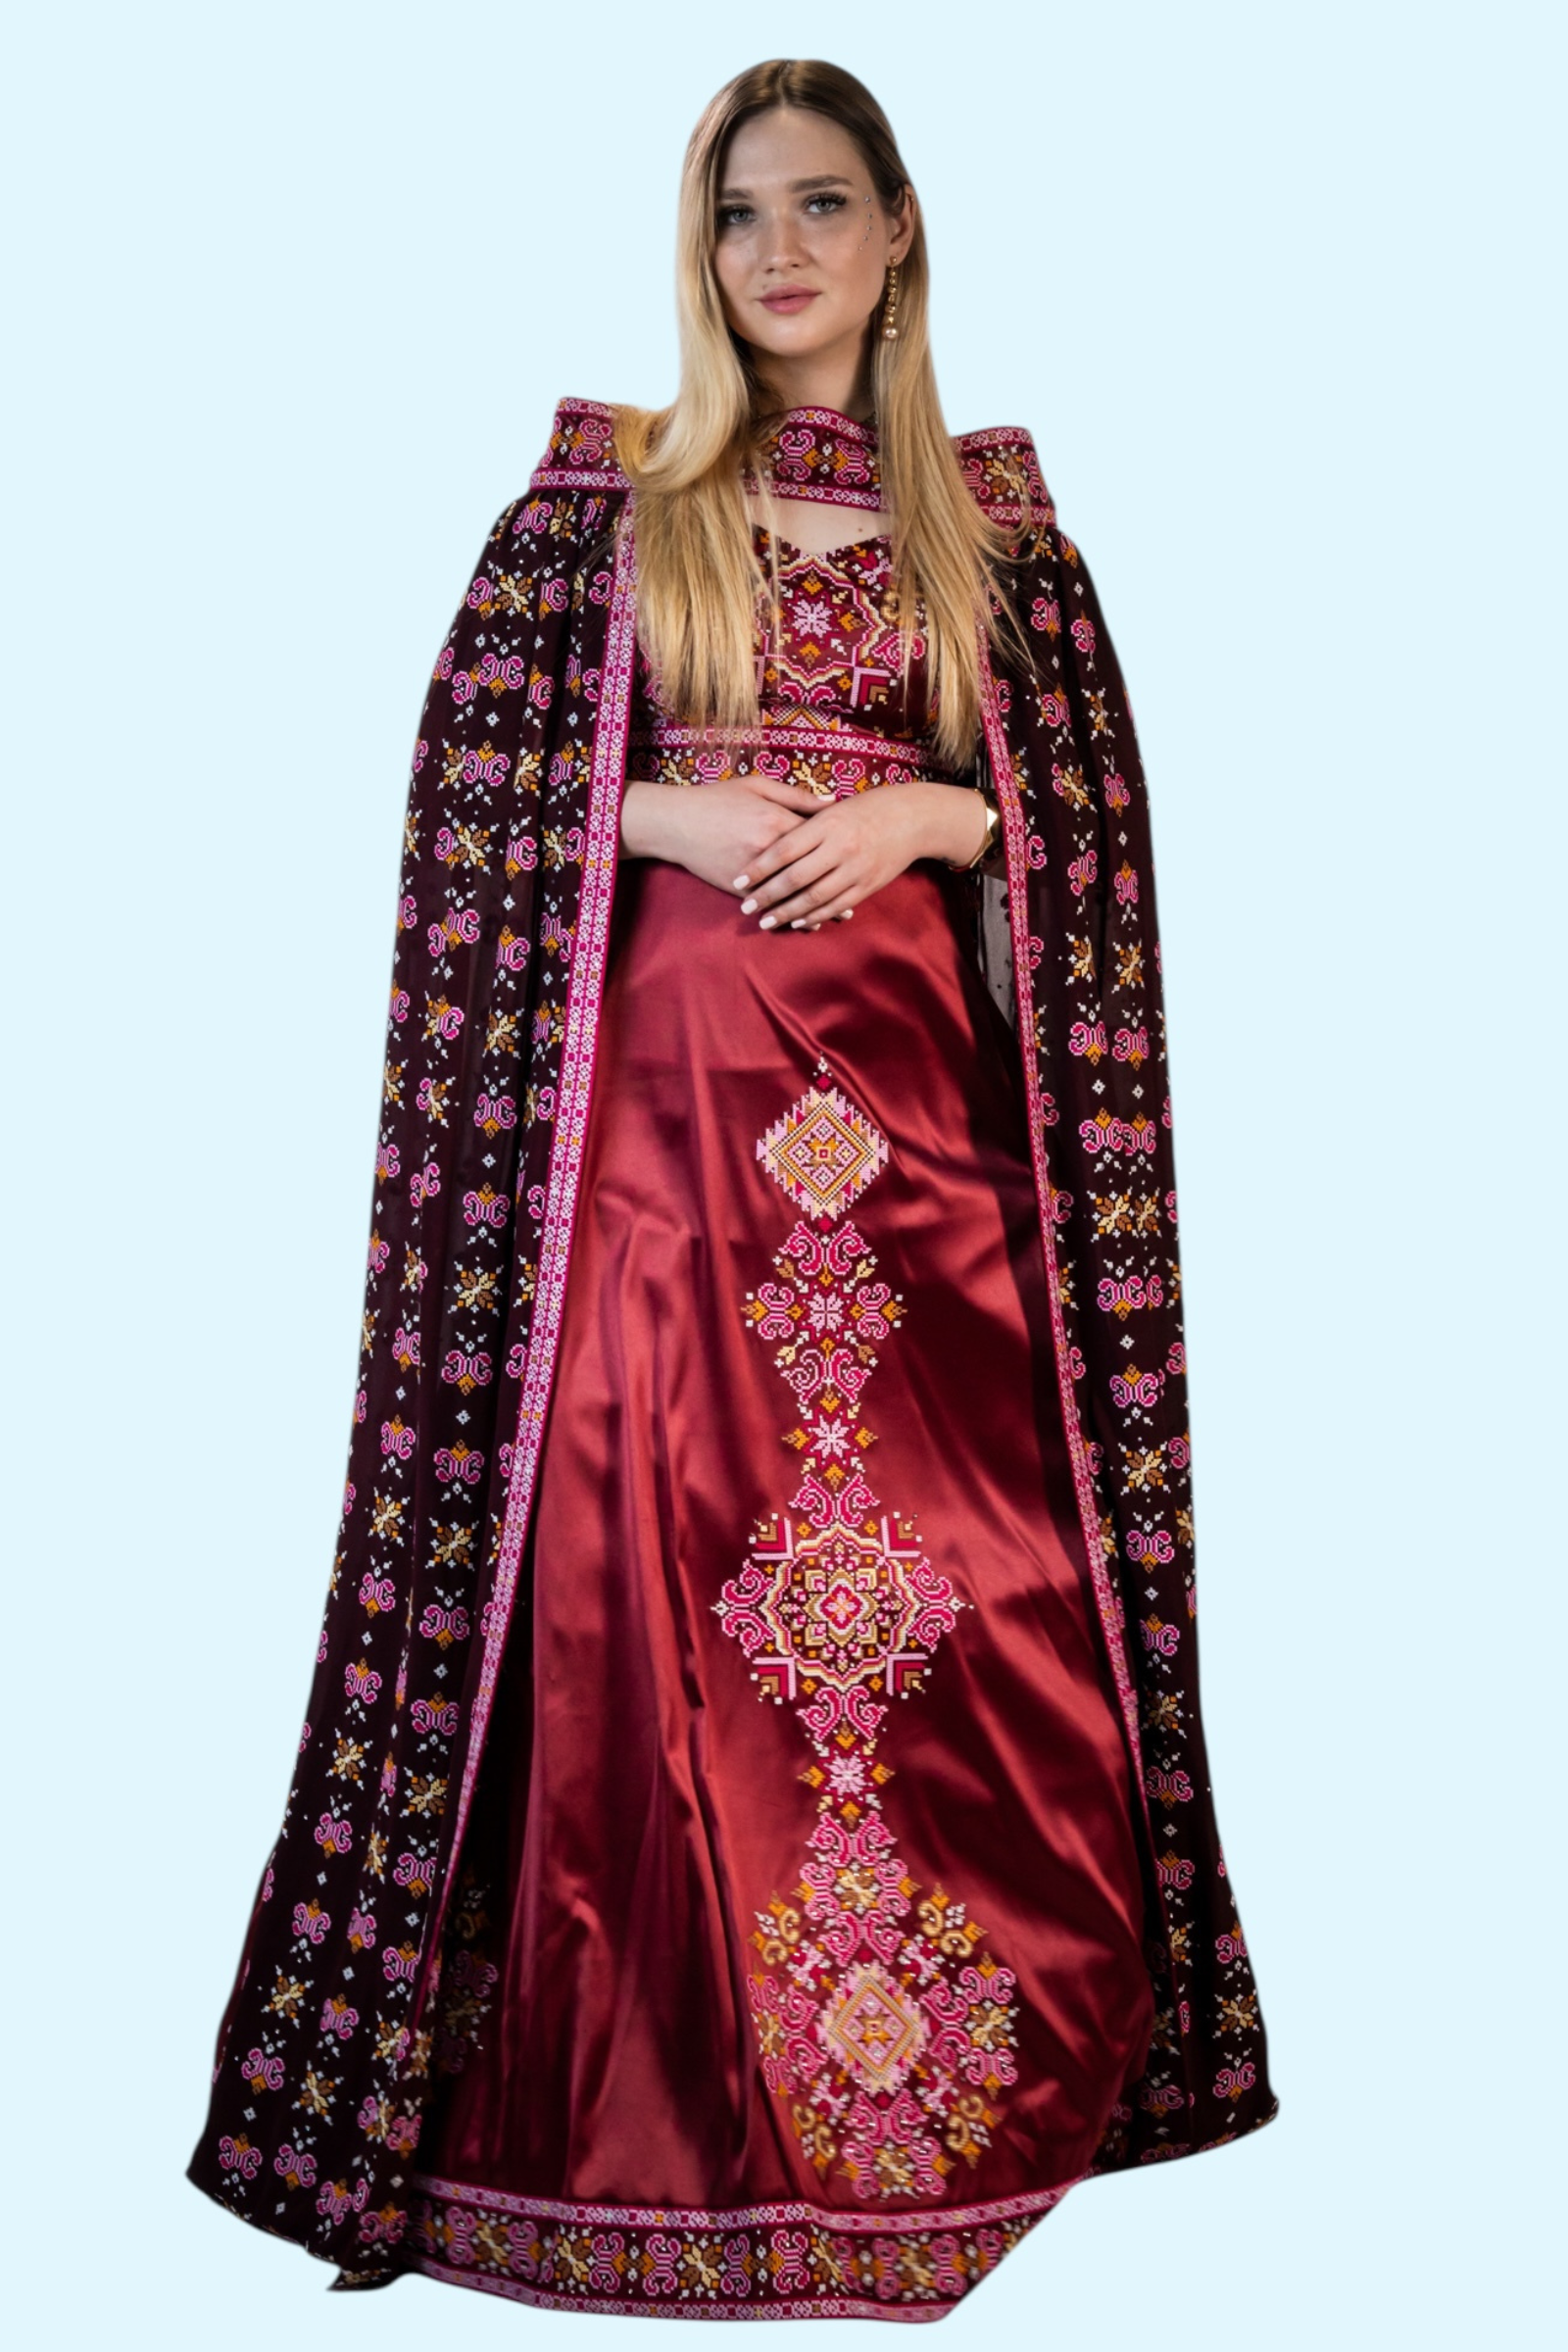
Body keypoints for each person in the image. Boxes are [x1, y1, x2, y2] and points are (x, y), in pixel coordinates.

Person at [188, 57, 1275, 2323]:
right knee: (645, 1594)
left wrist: (936, 818)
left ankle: (929, 2103)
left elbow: (1085, 844)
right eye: (735, 213)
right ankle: (653, 2122)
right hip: (657, 1164)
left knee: (954, 1593)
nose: (775, 253)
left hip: (916, 1172)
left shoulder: (996, 541)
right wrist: (662, 814)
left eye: (817, 206)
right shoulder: (600, 514)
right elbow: (470, 804)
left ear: (895, 232)